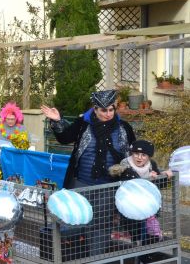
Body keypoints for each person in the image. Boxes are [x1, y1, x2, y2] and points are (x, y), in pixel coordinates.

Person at [41, 89, 136, 256]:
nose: (108, 114)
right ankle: (74, 257)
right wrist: (57, 121)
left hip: (108, 186)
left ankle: (96, 258)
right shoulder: (83, 124)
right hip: (81, 183)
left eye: (111, 110)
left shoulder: (124, 128)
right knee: (74, 220)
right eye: (103, 110)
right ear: (95, 109)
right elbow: (65, 137)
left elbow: (134, 154)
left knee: (101, 225)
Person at [108, 140, 173, 244]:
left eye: (143, 155)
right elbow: (133, 184)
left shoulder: (151, 165)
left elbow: (159, 185)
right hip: (130, 205)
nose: (139, 157)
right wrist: (149, 178)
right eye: (136, 154)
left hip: (147, 205)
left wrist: (165, 176)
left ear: (149, 157)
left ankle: (145, 248)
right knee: (135, 230)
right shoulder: (125, 167)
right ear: (132, 153)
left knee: (147, 229)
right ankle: (137, 248)